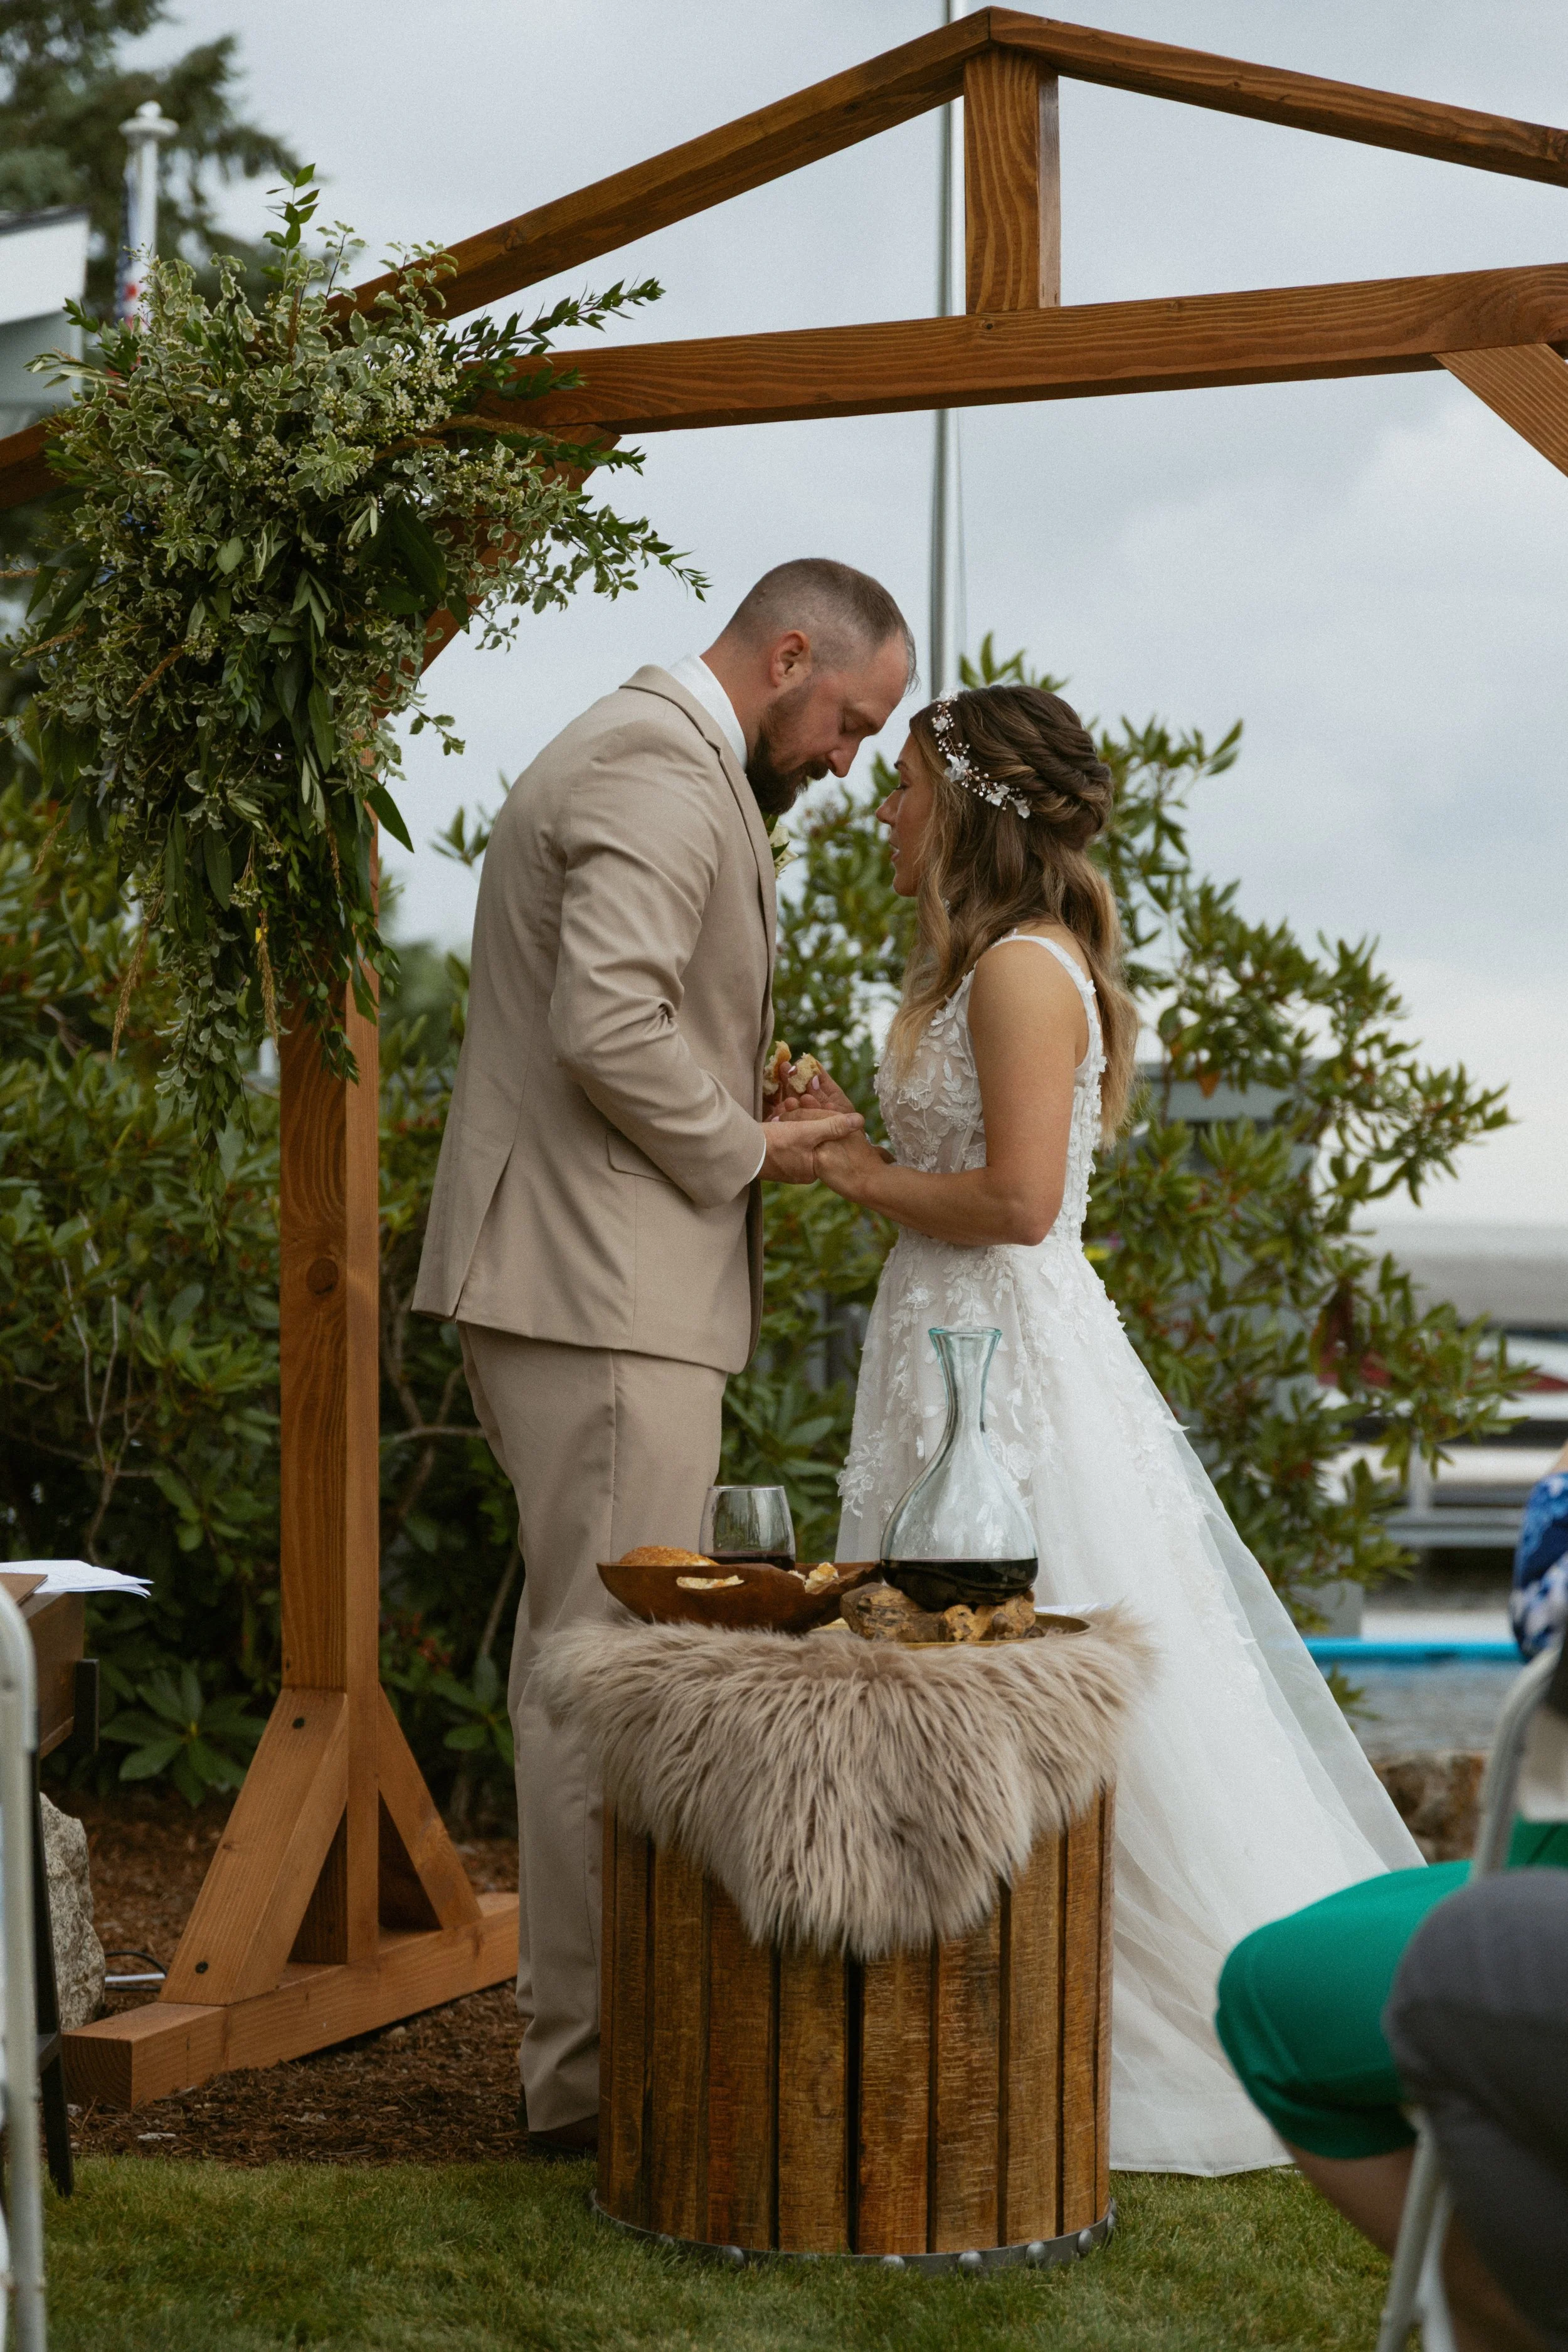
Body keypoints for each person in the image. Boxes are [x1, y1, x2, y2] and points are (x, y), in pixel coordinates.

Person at [770, 680, 1421, 2174]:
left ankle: (1097, 2008)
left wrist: (853, 1179)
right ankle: (958, 1982)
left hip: (1000, 1360)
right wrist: (854, 1142)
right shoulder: (972, 966)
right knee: (940, 1672)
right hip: (940, 1337)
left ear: (974, 810)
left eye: (907, 789)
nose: (883, 811)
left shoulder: (1016, 972)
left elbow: (1011, 1203)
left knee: (1022, 1666)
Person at [413, 558, 914, 2152]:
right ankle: (589, 2089)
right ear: (785, 658)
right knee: (605, 1682)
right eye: (850, 720)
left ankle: (593, 2061)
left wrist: (731, 1098)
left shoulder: (666, 762)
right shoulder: (651, 764)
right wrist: (749, 1152)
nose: (849, 760)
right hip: (600, 1295)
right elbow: (605, 1024)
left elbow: (631, 1024)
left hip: (596, 1283)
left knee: (585, 1668)